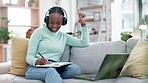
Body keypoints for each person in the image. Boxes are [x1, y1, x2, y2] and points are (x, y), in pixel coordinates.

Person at [25, 6, 89, 83]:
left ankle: (54, 77)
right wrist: (37, 61)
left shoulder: (64, 36)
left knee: (75, 69)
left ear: (63, 22)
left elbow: (84, 43)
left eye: (58, 23)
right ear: (47, 20)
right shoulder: (38, 32)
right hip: (35, 68)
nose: (54, 26)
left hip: (54, 67)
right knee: (51, 72)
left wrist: (83, 25)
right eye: (52, 22)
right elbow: (29, 57)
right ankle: (53, 76)